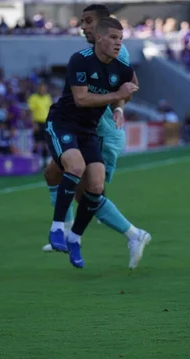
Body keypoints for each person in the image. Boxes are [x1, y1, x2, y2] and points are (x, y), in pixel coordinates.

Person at [42, 5, 151, 269]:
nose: (83, 27)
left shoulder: (115, 50)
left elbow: (129, 85)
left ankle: (132, 234)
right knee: (53, 174)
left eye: (88, 22)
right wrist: (119, 104)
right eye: (82, 21)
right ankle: (65, 229)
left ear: (104, 27)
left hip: (99, 132)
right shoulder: (82, 57)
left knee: (88, 191)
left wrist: (118, 107)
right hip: (76, 125)